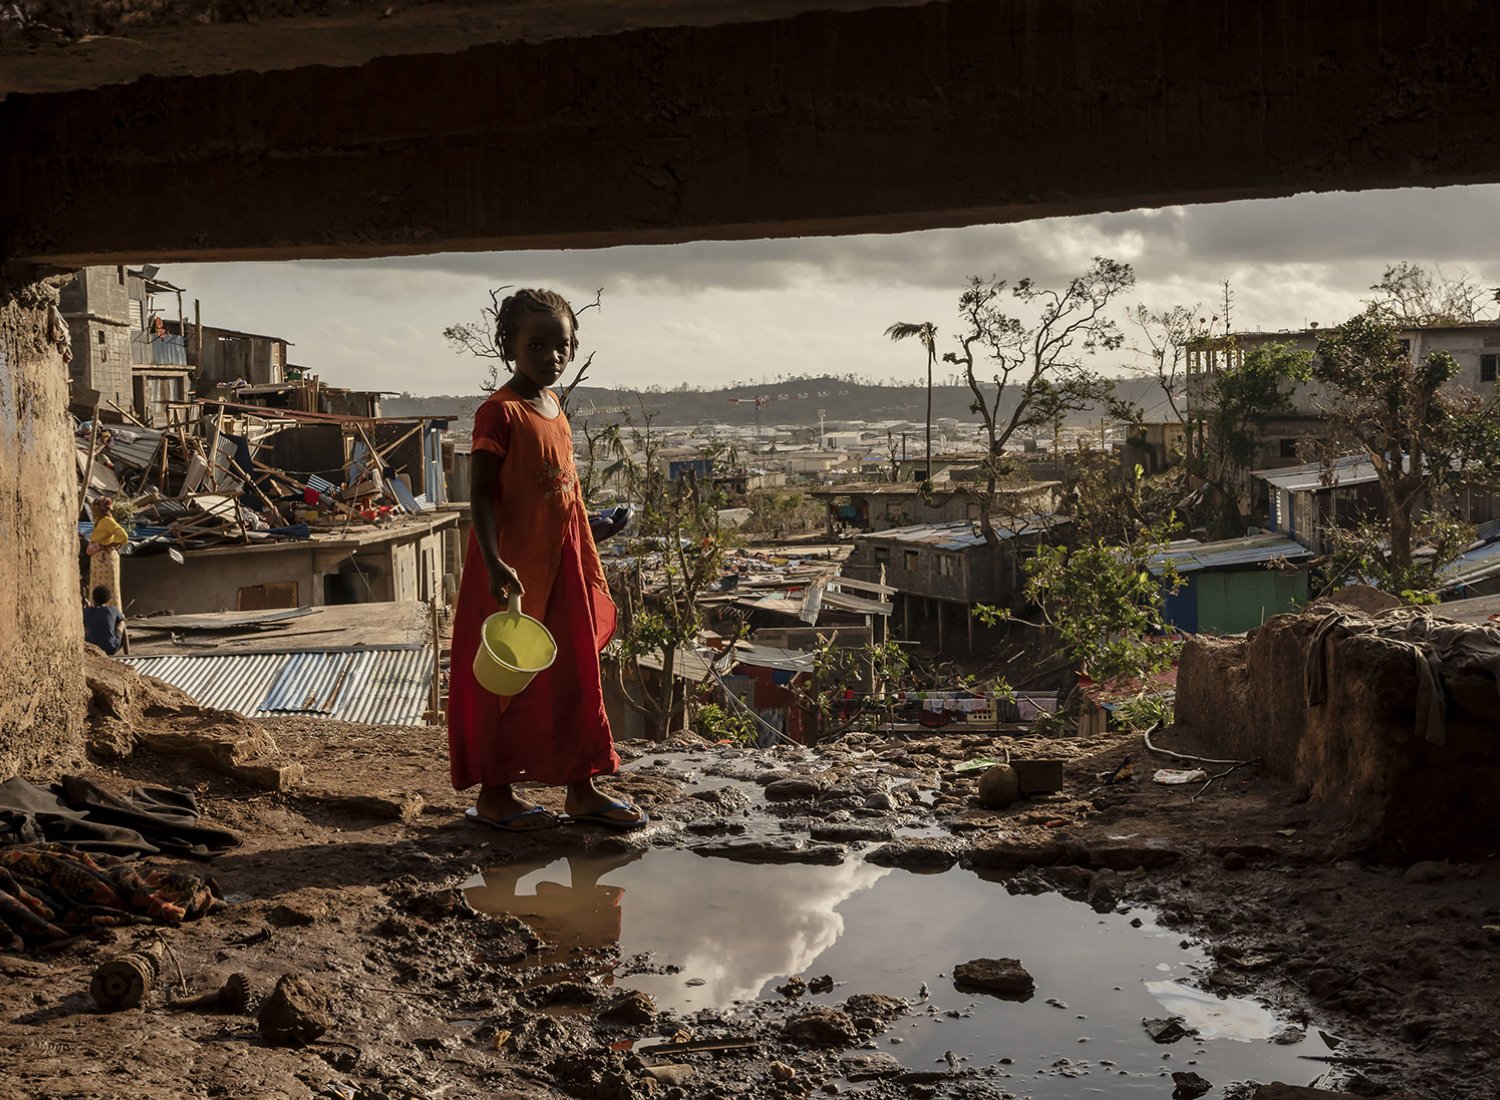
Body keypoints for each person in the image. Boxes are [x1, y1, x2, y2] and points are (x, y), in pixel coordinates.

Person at [446, 289, 648, 833]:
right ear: (509, 345)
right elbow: (481, 498)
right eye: (536, 345)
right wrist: (493, 561)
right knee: (504, 684)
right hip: (511, 573)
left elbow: (562, 493)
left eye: (561, 347)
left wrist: (592, 532)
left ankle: (581, 789)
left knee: (574, 674)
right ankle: (494, 795)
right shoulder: (499, 412)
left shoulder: (554, 407)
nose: (551, 358)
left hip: (561, 566)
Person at [82, 585, 125, 655]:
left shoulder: (86, 611)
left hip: (91, 648)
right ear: (109, 599)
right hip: (111, 648)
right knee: (122, 623)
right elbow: (122, 617)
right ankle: (127, 653)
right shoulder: (113, 610)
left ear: (93, 598)